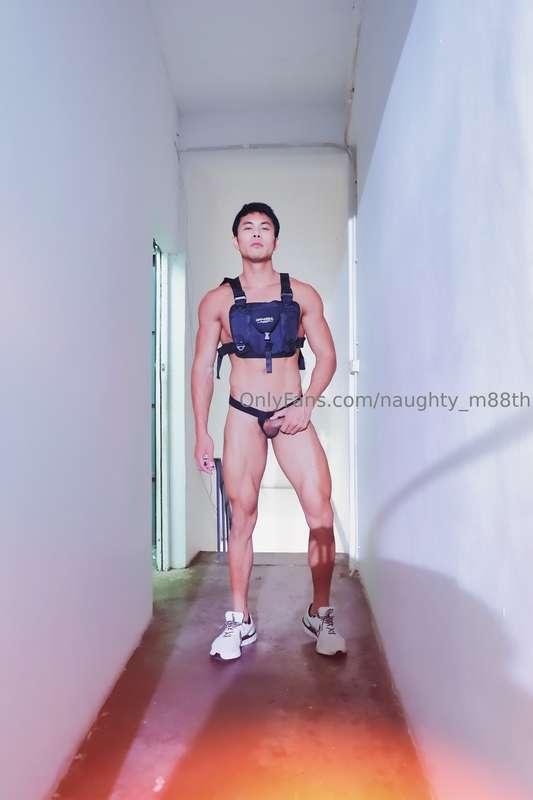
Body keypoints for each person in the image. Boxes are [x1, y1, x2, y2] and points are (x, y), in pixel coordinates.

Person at [191, 201, 347, 661]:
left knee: (321, 513)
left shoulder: (303, 295)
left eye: (264, 227)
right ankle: (239, 619)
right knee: (242, 517)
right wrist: (201, 432)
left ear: (275, 240)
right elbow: (201, 368)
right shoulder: (217, 301)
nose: (256, 233)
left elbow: (327, 356)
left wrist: (307, 403)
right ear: (236, 240)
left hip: (290, 411)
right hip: (243, 415)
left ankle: (320, 612)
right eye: (248, 227)